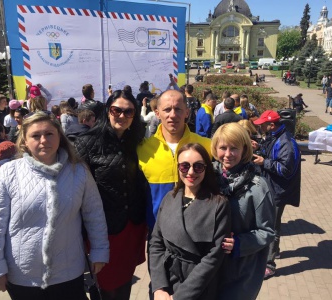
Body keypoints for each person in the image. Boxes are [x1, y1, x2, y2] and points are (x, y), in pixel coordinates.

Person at [0, 111, 109, 299]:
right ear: (24, 140)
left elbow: (94, 214)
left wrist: (99, 251)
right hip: (23, 276)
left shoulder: (78, 171)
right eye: (35, 135)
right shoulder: (9, 173)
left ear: (59, 136)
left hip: (68, 272)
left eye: (49, 134)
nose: (43, 140)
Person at [74, 90, 147, 300]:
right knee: (107, 286)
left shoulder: (137, 141)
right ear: (108, 111)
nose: (122, 116)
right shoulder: (87, 142)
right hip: (103, 231)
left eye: (128, 111)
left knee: (125, 281)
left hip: (132, 227)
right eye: (116, 110)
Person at [149, 143, 231, 300]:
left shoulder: (219, 204)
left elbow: (214, 256)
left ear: (206, 169)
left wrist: (180, 296)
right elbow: (155, 243)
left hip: (198, 286)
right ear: (178, 167)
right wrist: (159, 286)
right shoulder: (169, 198)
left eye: (198, 166)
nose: (191, 172)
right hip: (166, 281)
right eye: (185, 166)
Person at [212, 123, 275, 299]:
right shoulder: (208, 177)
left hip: (241, 270)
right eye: (223, 147)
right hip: (210, 267)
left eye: (234, 148)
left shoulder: (258, 186)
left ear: (244, 149)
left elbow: (267, 231)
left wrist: (239, 243)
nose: (228, 154)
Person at [137, 90, 212, 231]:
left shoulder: (207, 146)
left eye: (178, 109)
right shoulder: (142, 150)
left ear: (187, 113)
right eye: (167, 109)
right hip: (158, 236)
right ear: (157, 113)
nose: (173, 115)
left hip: (197, 233)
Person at [252, 110, 301, 279]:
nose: (261, 127)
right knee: (274, 224)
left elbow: (285, 170)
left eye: (263, 125)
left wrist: (263, 162)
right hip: (273, 187)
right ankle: (275, 251)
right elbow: (272, 154)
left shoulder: (286, 142)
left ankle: (269, 265)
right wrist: (259, 148)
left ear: (271, 125)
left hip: (278, 191)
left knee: (272, 227)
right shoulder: (276, 136)